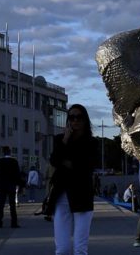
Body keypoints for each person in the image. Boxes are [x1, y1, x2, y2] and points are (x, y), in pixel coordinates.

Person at [50, 104, 98, 255]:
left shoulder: (92, 142)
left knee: (80, 248)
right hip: (60, 196)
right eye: (71, 117)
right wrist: (65, 140)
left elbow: (87, 166)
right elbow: (54, 160)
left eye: (79, 117)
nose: (75, 120)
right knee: (62, 249)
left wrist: (67, 162)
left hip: (82, 195)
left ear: (85, 120)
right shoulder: (60, 139)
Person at [0, 147, 21, 228]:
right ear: (10, 152)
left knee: (1, 204)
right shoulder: (14, 161)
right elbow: (18, 174)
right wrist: (19, 185)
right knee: (12, 205)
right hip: (11, 185)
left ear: (3, 153)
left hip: (2, 185)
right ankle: (14, 223)